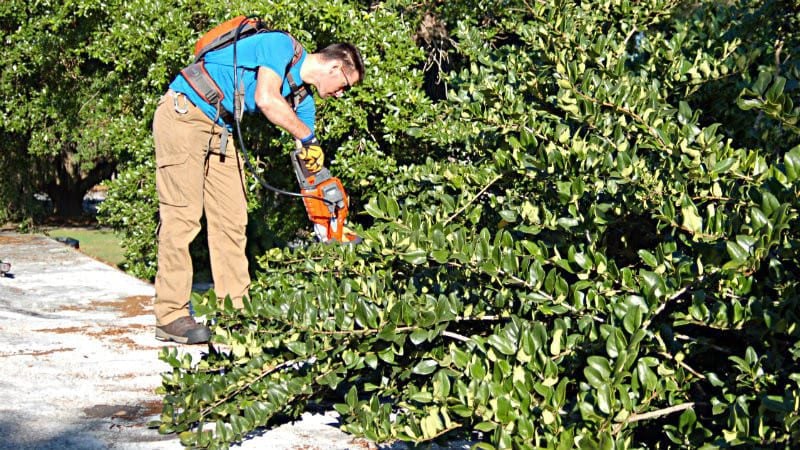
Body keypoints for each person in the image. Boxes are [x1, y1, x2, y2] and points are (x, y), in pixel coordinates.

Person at [152, 29, 365, 344]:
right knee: (183, 219)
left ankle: (234, 314)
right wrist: (306, 136)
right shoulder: (280, 45)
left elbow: (310, 169)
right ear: (334, 68)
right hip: (185, 113)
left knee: (232, 221)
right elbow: (266, 99)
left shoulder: (302, 101)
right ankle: (170, 315)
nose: (341, 93)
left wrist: (330, 220)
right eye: (345, 85)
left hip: (220, 130)